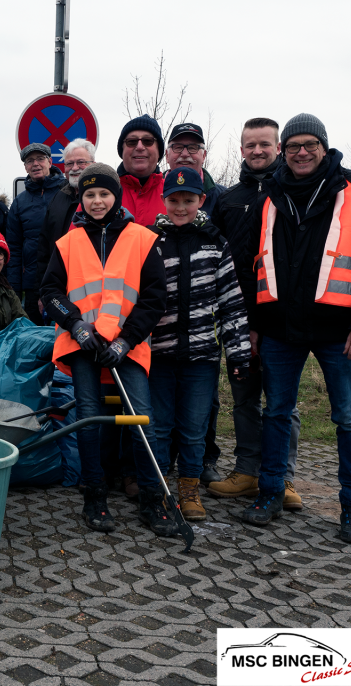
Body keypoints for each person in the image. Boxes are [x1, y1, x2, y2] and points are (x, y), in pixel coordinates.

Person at [239, 113, 351, 544]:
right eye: (293, 146)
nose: (301, 152)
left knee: (348, 418)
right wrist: (255, 325)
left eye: (309, 144)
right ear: (283, 152)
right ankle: (270, 492)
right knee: (275, 412)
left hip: (340, 331)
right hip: (279, 329)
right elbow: (254, 264)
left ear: (324, 147)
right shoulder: (268, 196)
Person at [41, 164, 175, 537]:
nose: (97, 201)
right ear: (81, 200)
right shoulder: (67, 242)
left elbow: (153, 298)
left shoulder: (142, 239)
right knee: (89, 417)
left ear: (115, 196)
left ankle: (151, 497)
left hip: (126, 347)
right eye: (89, 195)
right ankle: (94, 493)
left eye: (103, 194)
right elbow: (50, 294)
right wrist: (76, 326)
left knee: (142, 419)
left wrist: (125, 340)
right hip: (83, 345)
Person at [147, 166, 251, 521]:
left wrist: (238, 351)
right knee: (159, 426)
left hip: (202, 356)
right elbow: (137, 299)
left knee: (193, 428)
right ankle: (160, 488)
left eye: (188, 200)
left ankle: (189, 489)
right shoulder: (150, 243)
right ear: (164, 201)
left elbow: (230, 300)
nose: (180, 207)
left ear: (201, 201)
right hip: (158, 355)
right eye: (173, 200)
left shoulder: (215, 242)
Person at [209, 118, 302, 510]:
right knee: (245, 399)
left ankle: (283, 477)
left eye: (265, 144)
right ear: (242, 150)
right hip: (237, 320)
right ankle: (247, 471)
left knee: (282, 402)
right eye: (251, 145)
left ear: (278, 147)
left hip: (282, 322)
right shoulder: (227, 199)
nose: (258, 151)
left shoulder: (294, 193)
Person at [162, 122, 228, 484]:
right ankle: (155, 476)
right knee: (160, 416)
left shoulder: (222, 198)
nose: (185, 152)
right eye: (178, 146)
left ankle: (201, 464)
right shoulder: (153, 237)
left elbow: (227, 282)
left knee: (200, 412)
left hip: (203, 339)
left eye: (193, 147)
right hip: (161, 342)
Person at [7, 143, 65, 323]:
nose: (35, 164)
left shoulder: (67, 192)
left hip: (66, 278)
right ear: (25, 167)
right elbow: (14, 249)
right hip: (33, 284)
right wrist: (14, 291)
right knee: (36, 338)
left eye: (40, 159)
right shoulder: (19, 202)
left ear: (50, 161)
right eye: (30, 161)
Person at [36, 138, 96, 285]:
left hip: (91, 285)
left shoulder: (103, 200)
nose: (75, 168)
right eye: (69, 163)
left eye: (81, 162)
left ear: (93, 165)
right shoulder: (57, 198)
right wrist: (42, 290)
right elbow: (44, 248)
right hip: (58, 285)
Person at [164, 122, 226, 217]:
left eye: (193, 148)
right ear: (167, 155)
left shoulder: (224, 197)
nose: (185, 154)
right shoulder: (150, 192)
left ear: (204, 156)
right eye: (178, 147)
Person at [117, 115, 166, 227]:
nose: (139, 147)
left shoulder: (174, 193)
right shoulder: (99, 192)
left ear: (159, 151)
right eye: (132, 141)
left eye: (148, 141)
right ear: (122, 150)